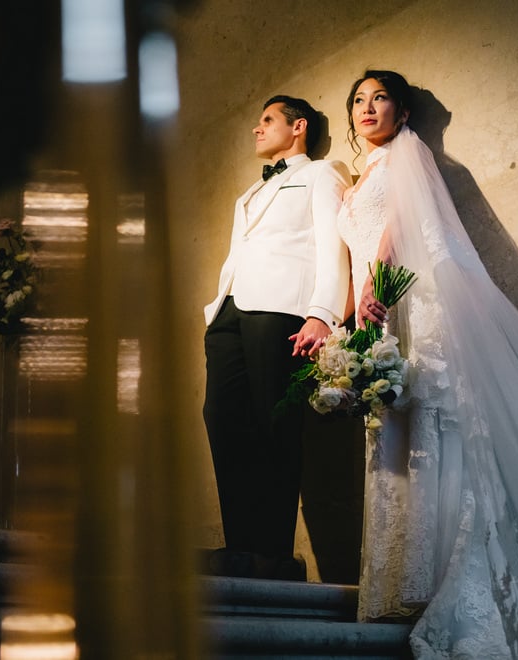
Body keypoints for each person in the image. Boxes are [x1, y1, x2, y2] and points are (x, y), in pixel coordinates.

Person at [340, 69, 518, 657]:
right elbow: (353, 254)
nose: (367, 107)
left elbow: (400, 225)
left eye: (380, 98)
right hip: (377, 315)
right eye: (359, 100)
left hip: (407, 299)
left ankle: (451, 580)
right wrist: (343, 328)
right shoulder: (352, 184)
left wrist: (377, 282)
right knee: (394, 437)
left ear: (403, 112)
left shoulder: (407, 153)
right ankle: (401, 584)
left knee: (436, 429)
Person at [203, 95, 358, 581]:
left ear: (298, 126)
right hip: (229, 311)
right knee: (222, 418)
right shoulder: (248, 193)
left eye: (267, 120)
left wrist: (322, 314)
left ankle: (272, 552)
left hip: (283, 309)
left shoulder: (322, 173)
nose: (257, 128)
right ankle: (242, 547)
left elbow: (333, 246)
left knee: (275, 423)